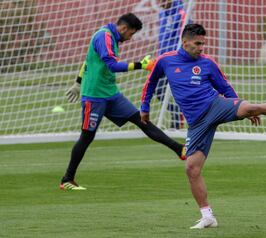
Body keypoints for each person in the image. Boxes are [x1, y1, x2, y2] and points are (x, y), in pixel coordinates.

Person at [140, 23, 266, 229]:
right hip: (196, 123)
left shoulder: (207, 63)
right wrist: (144, 107)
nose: (201, 48)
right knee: (191, 168)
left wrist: (243, 108)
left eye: (203, 44)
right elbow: (151, 83)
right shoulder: (166, 61)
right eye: (197, 44)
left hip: (215, 105)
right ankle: (208, 217)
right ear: (185, 41)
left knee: (254, 107)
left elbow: (224, 87)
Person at [61, 13, 186, 191]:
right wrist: (141, 65)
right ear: (124, 28)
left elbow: (88, 60)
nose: (131, 38)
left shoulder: (111, 37)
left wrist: (77, 82)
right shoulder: (103, 36)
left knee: (141, 120)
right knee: (87, 136)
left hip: (111, 94)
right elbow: (112, 65)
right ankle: (67, 179)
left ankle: (179, 149)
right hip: (94, 96)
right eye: (132, 34)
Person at [154, 0, 187, 129]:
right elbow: (162, 39)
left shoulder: (181, 13)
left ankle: (179, 119)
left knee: (181, 91)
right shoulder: (162, 14)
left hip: (176, 60)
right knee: (159, 90)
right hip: (163, 60)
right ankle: (177, 114)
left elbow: (187, 37)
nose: (161, 3)